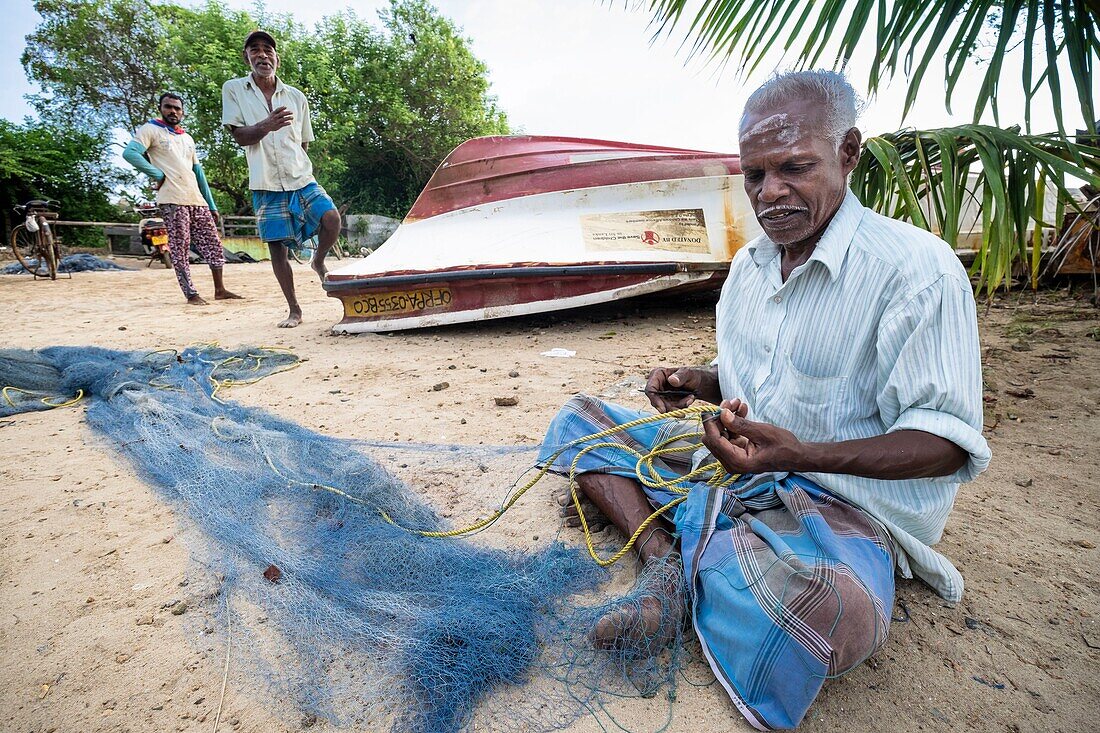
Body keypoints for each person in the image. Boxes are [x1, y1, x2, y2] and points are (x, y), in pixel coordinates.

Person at [539, 70, 991, 730]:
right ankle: (667, 565)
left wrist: (804, 452)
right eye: (754, 175)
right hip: (735, 468)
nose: (770, 193)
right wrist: (703, 378)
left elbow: (948, 439)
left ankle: (680, 535)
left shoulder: (916, 272)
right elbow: (759, 373)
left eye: (794, 167)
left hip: (841, 507)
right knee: (578, 419)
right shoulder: (749, 269)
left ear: (848, 153)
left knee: (831, 610)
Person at [221, 29, 341, 328]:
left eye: (268, 49)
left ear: (277, 57)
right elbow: (239, 136)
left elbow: (303, 142)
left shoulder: (296, 97)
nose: (262, 54)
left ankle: (318, 260)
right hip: (265, 182)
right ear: (246, 56)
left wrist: (298, 163)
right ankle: (294, 309)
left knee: (332, 218)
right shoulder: (235, 89)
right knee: (278, 249)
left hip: (300, 176)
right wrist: (266, 125)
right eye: (255, 49)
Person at [123, 93, 243, 305]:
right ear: (160, 108)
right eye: (168, 107)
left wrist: (211, 203)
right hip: (172, 199)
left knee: (213, 245)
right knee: (180, 247)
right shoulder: (150, 130)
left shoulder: (187, 138)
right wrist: (157, 175)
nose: (173, 111)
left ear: (183, 112)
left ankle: (220, 289)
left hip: (196, 199)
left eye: (177, 108)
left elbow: (198, 172)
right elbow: (130, 153)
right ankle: (191, 293)